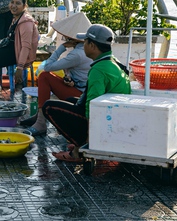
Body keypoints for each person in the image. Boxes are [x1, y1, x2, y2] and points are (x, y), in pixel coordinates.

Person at [43, 24, 131, 162]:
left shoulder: (99, 69)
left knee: (49, 107)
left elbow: (93, 106)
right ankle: (81, 142)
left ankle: (78, 151)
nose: (82, 45)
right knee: (72, 100)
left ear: (92, 46)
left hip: (105, 123)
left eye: (85, 42)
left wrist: (90, 144)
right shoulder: (113, 62)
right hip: (113, 117)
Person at [21, 12, 93, 136]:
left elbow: (47, 66)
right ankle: (39, 116)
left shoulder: (77, 54)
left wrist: (61, 48)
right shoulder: (84, 50)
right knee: (50, 77)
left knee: (44, 76)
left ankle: (41, 122)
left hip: (81, 95)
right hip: (81, 89)